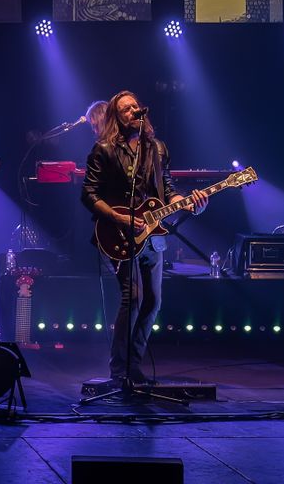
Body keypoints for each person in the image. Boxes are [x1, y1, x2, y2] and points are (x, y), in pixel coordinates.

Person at [81, 90, 208, 385]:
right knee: (133, 298)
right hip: (118, 233)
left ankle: (132, 367)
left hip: (154, 235)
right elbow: (88, 194)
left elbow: (167, 189)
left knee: (153, 302)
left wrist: (190, 203)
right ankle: (118, 370)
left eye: (136, 106)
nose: (133, 111)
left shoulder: (158, 148)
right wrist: (120, 217)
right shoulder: (104, 149)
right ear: (116, 116)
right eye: (126, 109)